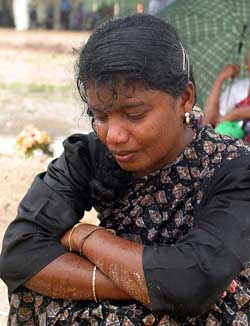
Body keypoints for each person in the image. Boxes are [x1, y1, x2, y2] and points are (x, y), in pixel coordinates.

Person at [1, 14, 250, 325]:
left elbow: (193, 286)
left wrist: (83, 237)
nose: (113, 136)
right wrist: (144, 284)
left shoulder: (234, 168)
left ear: (185, 98)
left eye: (134, 114)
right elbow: (18, 254)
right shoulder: (89, 154)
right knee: (33, 288)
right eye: (100, 116)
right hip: (148, 293)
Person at [204, 51, 250, 141]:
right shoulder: (239, 88)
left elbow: (223, 120)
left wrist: (233, 114)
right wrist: (220, 79)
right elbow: (209, 119)